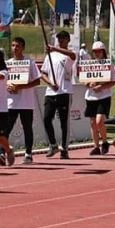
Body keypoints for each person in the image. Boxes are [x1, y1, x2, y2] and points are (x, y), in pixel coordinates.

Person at [4, 36, 40, 164]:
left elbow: (37, 81)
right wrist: (7, 85)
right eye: (13, 45)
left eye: (17, 46)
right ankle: (1, 152)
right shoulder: (7, 63)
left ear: (23, 48)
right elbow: (2, 80)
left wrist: (21, 86)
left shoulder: (30, 63)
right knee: (6, 128)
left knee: (27, 128)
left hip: (26, 102)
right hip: (11, 102)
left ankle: (28, 153)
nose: (15, 48)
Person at [40, 30, 76, 159]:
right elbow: (43, 73)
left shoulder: (68, 54)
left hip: (64, 92)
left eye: (63, 38)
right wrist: (50, 83)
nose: (61, 40)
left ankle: (64, 148)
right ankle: (53, 144)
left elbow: (73, 56)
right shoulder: (50, 56)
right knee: (46, 118)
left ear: (68, 40)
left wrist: (55, 48)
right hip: (51, 92)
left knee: (64, 122)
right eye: (59, 38)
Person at [84, 41, 115, 155]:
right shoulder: (89, 64)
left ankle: (105, 141)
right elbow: (84, 80)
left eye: (99, 51)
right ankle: (96, 146)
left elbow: (112, 82)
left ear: (103, 52)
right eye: (95, 51)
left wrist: (101, 86)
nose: (97, 53)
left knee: (99, 121)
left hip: (104, 96)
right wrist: (89, 84)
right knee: (92, 123)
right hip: (90, 97)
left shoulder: (108, 65)